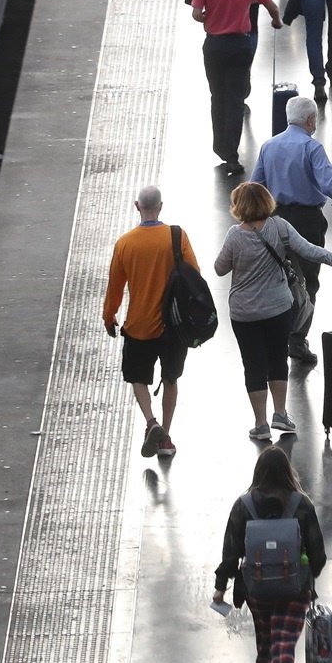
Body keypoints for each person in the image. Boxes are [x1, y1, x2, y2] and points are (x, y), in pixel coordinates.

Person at [214, 181, 332, 442]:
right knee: (278, 358)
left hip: (244, 312)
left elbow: (220, 268)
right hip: (278, 309)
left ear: (239, 206)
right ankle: (280, 413)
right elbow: (310, 251)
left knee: (253, 364)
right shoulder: (280, 227)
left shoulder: (235, 235)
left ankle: (260, 424)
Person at [213, 446, 329, 663]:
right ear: (288, 472)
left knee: (266, 637)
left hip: (256, 587)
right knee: (284, 639)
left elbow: (231, 551)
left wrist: (220, 587)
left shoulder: (244, 505)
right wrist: (308, 576)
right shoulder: (301, 504)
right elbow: (318, 553)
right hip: (294, 587)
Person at [253, 96, 332, 364]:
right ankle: (296, 340)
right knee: (307, 281)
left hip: (275, 219)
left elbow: (255, 186)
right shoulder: (311, 147)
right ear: (309, 120)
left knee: (279, 277)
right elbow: (329, 183)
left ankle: (275, 336)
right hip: (306, 221)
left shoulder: (268, 146)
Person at [102, 185, 199, 459]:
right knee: (170, 378)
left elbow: (115, 288)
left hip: (139, 325)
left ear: (137, 206)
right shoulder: (177, 237)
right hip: (174, 327)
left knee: (137, 377)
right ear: (161, 206)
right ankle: (166, 438)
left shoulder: (125, 243)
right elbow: (195, 274)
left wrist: (109, 316)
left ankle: (150, 421)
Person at [193, 0, 282, 171]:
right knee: (235, 98)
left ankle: (219, 145)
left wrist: (212, 19)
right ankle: (231, 152)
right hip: (241, 45)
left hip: (215, 45)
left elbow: (196, 13)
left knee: (217, 95)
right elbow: (270, 5)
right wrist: (276, 21)